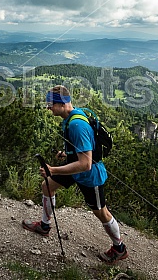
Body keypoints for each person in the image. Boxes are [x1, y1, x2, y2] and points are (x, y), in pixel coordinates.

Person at [22, 85, 128, 263]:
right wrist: (66, 155)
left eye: (51, 104)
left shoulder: (77, 125)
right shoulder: (73, 116)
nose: (48, 108)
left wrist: (53, 169)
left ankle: (119, 248)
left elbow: (86, 164)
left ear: (62, 104)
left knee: (101, 212)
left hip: (89, 175)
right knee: (47, 186)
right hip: (74, 165)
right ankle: (45, 226)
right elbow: (83, 151)